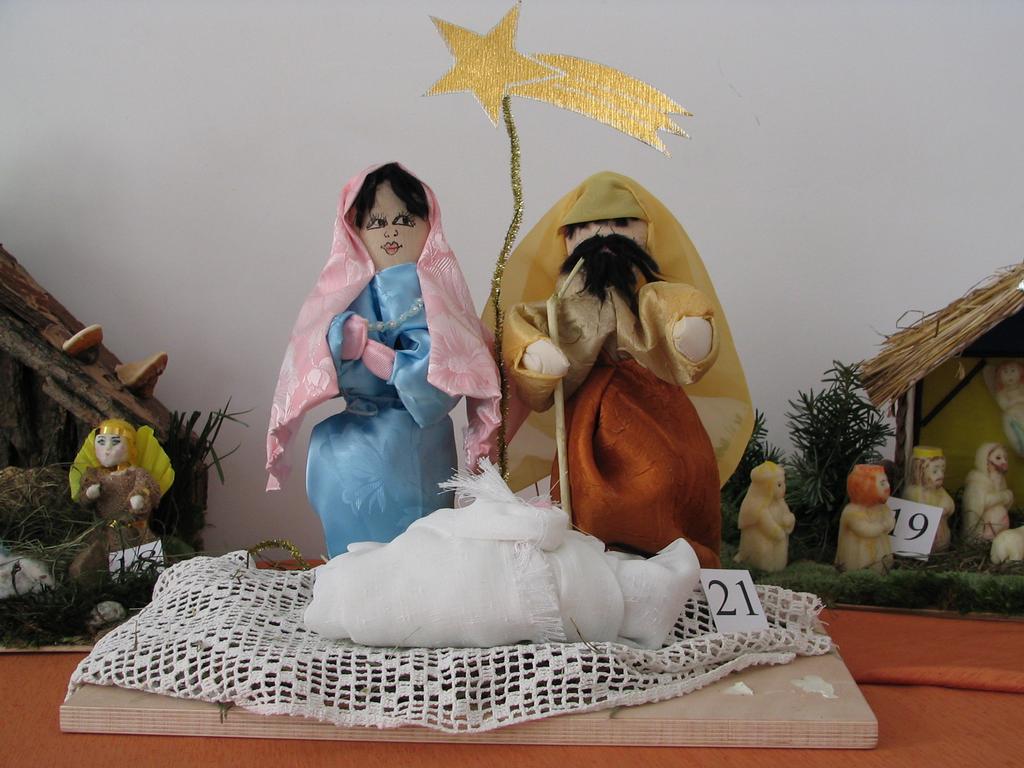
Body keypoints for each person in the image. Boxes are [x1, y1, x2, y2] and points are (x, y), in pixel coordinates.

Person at [495, 172, 753, 568]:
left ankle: (671, 552)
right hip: (589, 414)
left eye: (620, 224)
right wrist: (536, 355)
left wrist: (685, 333)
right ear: (567, 239)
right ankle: (598, 559)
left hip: (654, 400)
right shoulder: (561, 304)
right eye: (586, 227)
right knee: (589, 489)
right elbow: (526, 324)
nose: (603, 234)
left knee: (668, 472)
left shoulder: (649, 296)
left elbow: (672, 307)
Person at [266, 163, 500, 557]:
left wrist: (383, 359)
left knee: (417, 547)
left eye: (405, 220)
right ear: (353, 230)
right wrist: (339, 341)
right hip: (350, 441)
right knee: (354, 549)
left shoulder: (440, 298)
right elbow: (312, 352)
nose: (391, 232)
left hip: (417, 438)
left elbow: (449, 373)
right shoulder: (341, 293)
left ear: (429, 225)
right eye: (376, 223)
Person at [303, 460, 701, 649]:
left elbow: (452, 542)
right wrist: (533, 519)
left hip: (533, 579)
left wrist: (527, 519)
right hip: (541, 580)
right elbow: (535, 532)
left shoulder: (396, 579)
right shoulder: (396, 577)